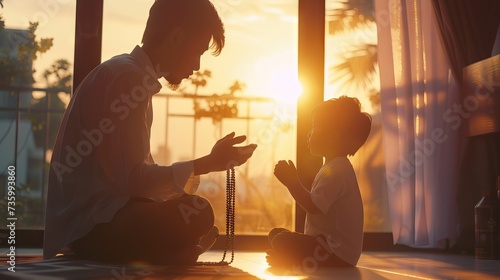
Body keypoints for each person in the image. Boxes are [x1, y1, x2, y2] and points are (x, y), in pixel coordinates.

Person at [43, 0, 257, 264]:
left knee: (188, 207)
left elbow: (135, 182)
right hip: (93, 228)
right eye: (198, 52)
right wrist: (207, 164)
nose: (197, 66)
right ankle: (174, 251)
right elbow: (135, 182)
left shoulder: (128, 73)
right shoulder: (128, 80)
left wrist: (188, 182)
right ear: (177, 37)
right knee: (197, 211)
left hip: (96, 223)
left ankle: (173, 252)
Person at [266, 96, 371, 269]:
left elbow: (313, 206)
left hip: (334, 254)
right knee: (276, 234)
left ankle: (290, 259)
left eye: (315, 127)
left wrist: (292, 182)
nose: (309, 133)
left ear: (332, 137)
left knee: (280, 240)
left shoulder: (336, 170)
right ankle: (290, 257)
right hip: (326, 248)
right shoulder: (335, 166)